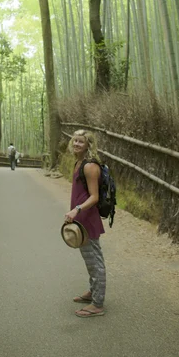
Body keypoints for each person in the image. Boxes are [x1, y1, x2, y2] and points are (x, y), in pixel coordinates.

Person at [64, 129, 106, 318]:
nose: (76, 144)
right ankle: (93, 292)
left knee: (95, 261)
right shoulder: (79, 163)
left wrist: (77, 210)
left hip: (87, 218)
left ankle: (97, 304)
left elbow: (94, 197)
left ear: (88, 144)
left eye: (81, 142)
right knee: (89, 260)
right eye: (75, 141)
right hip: (80, 219)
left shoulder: (89, 166)